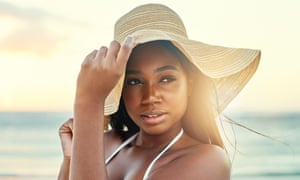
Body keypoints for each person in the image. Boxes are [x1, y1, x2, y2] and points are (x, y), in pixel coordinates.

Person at [58, 3, 261, 180]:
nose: (150, 96)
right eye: (135, 81)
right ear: (120, 89)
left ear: (189, 84)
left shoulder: (207, 161)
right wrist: (70, 158)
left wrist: (89, 103)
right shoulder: (107, 143)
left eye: (166, 79)